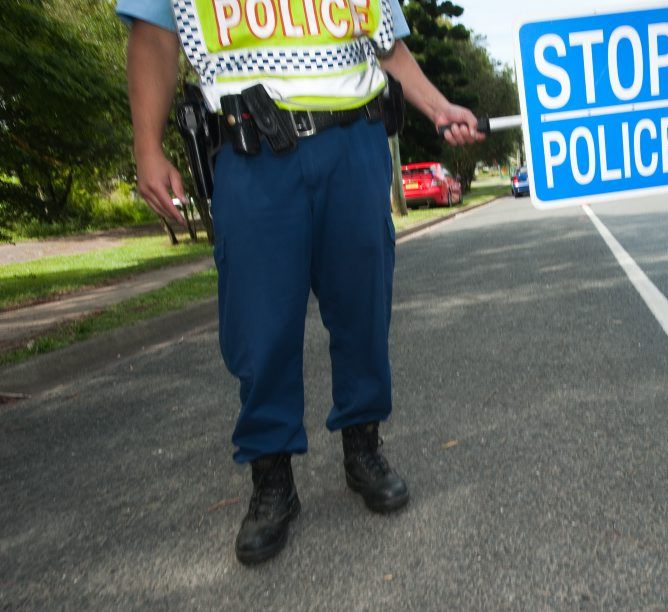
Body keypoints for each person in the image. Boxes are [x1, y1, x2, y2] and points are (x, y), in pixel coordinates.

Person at [116, 0, 483, 565]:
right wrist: (147, 145)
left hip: (355, 141)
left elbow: (385, 43)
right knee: (259, 327)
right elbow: (155, 34)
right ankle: (272, 481)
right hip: (252, 148)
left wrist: (438, 107)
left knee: (364, 308)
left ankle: (364, 448)